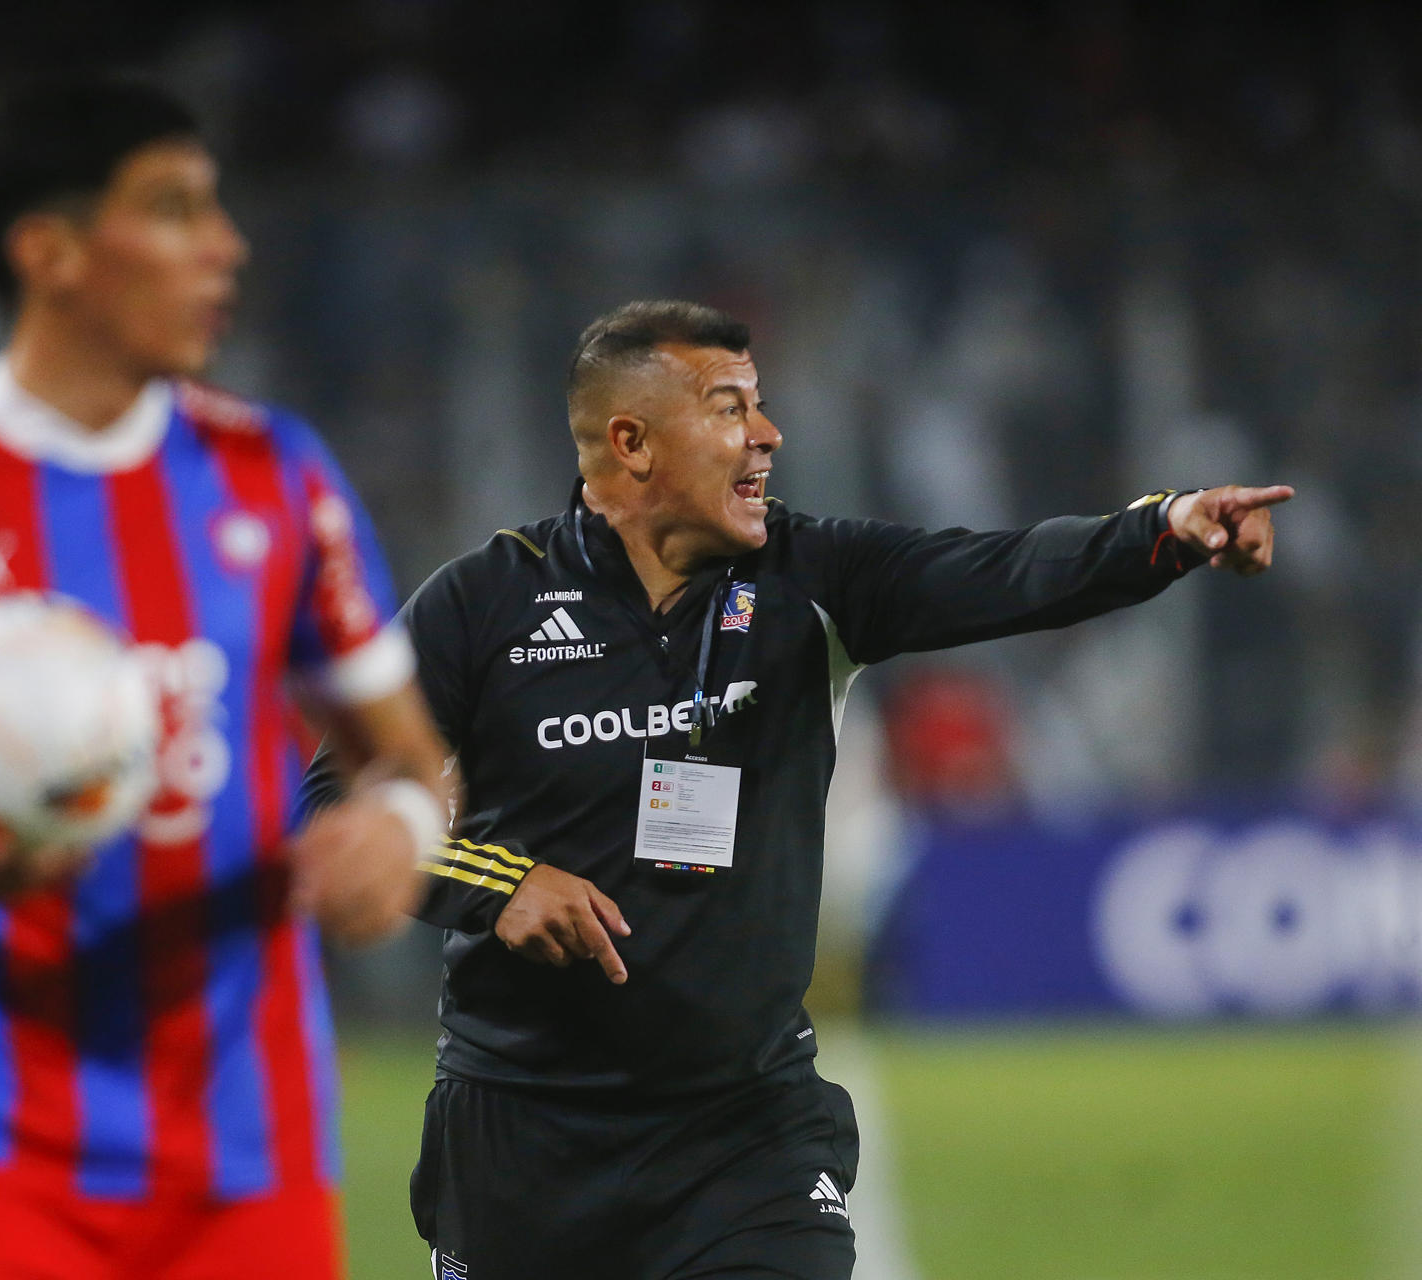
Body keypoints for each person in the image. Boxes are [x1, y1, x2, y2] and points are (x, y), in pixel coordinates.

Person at [301, 299, 1290, 1279]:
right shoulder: (485, 601)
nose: (767, 433)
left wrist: (1165, 529)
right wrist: (502, 883)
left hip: (744, 1131)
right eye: (729, 407)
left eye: (759, 403)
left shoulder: (811, 575)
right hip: (522, 1136)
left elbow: (1005, 569)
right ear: (632, 441)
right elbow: (333, 807)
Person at [0, 74, 454, 1280]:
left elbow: (412, 757)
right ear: (50, 251)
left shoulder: (278, 479)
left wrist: (403, 826)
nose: (226, 247)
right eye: (174, 209)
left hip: (246, 1152)